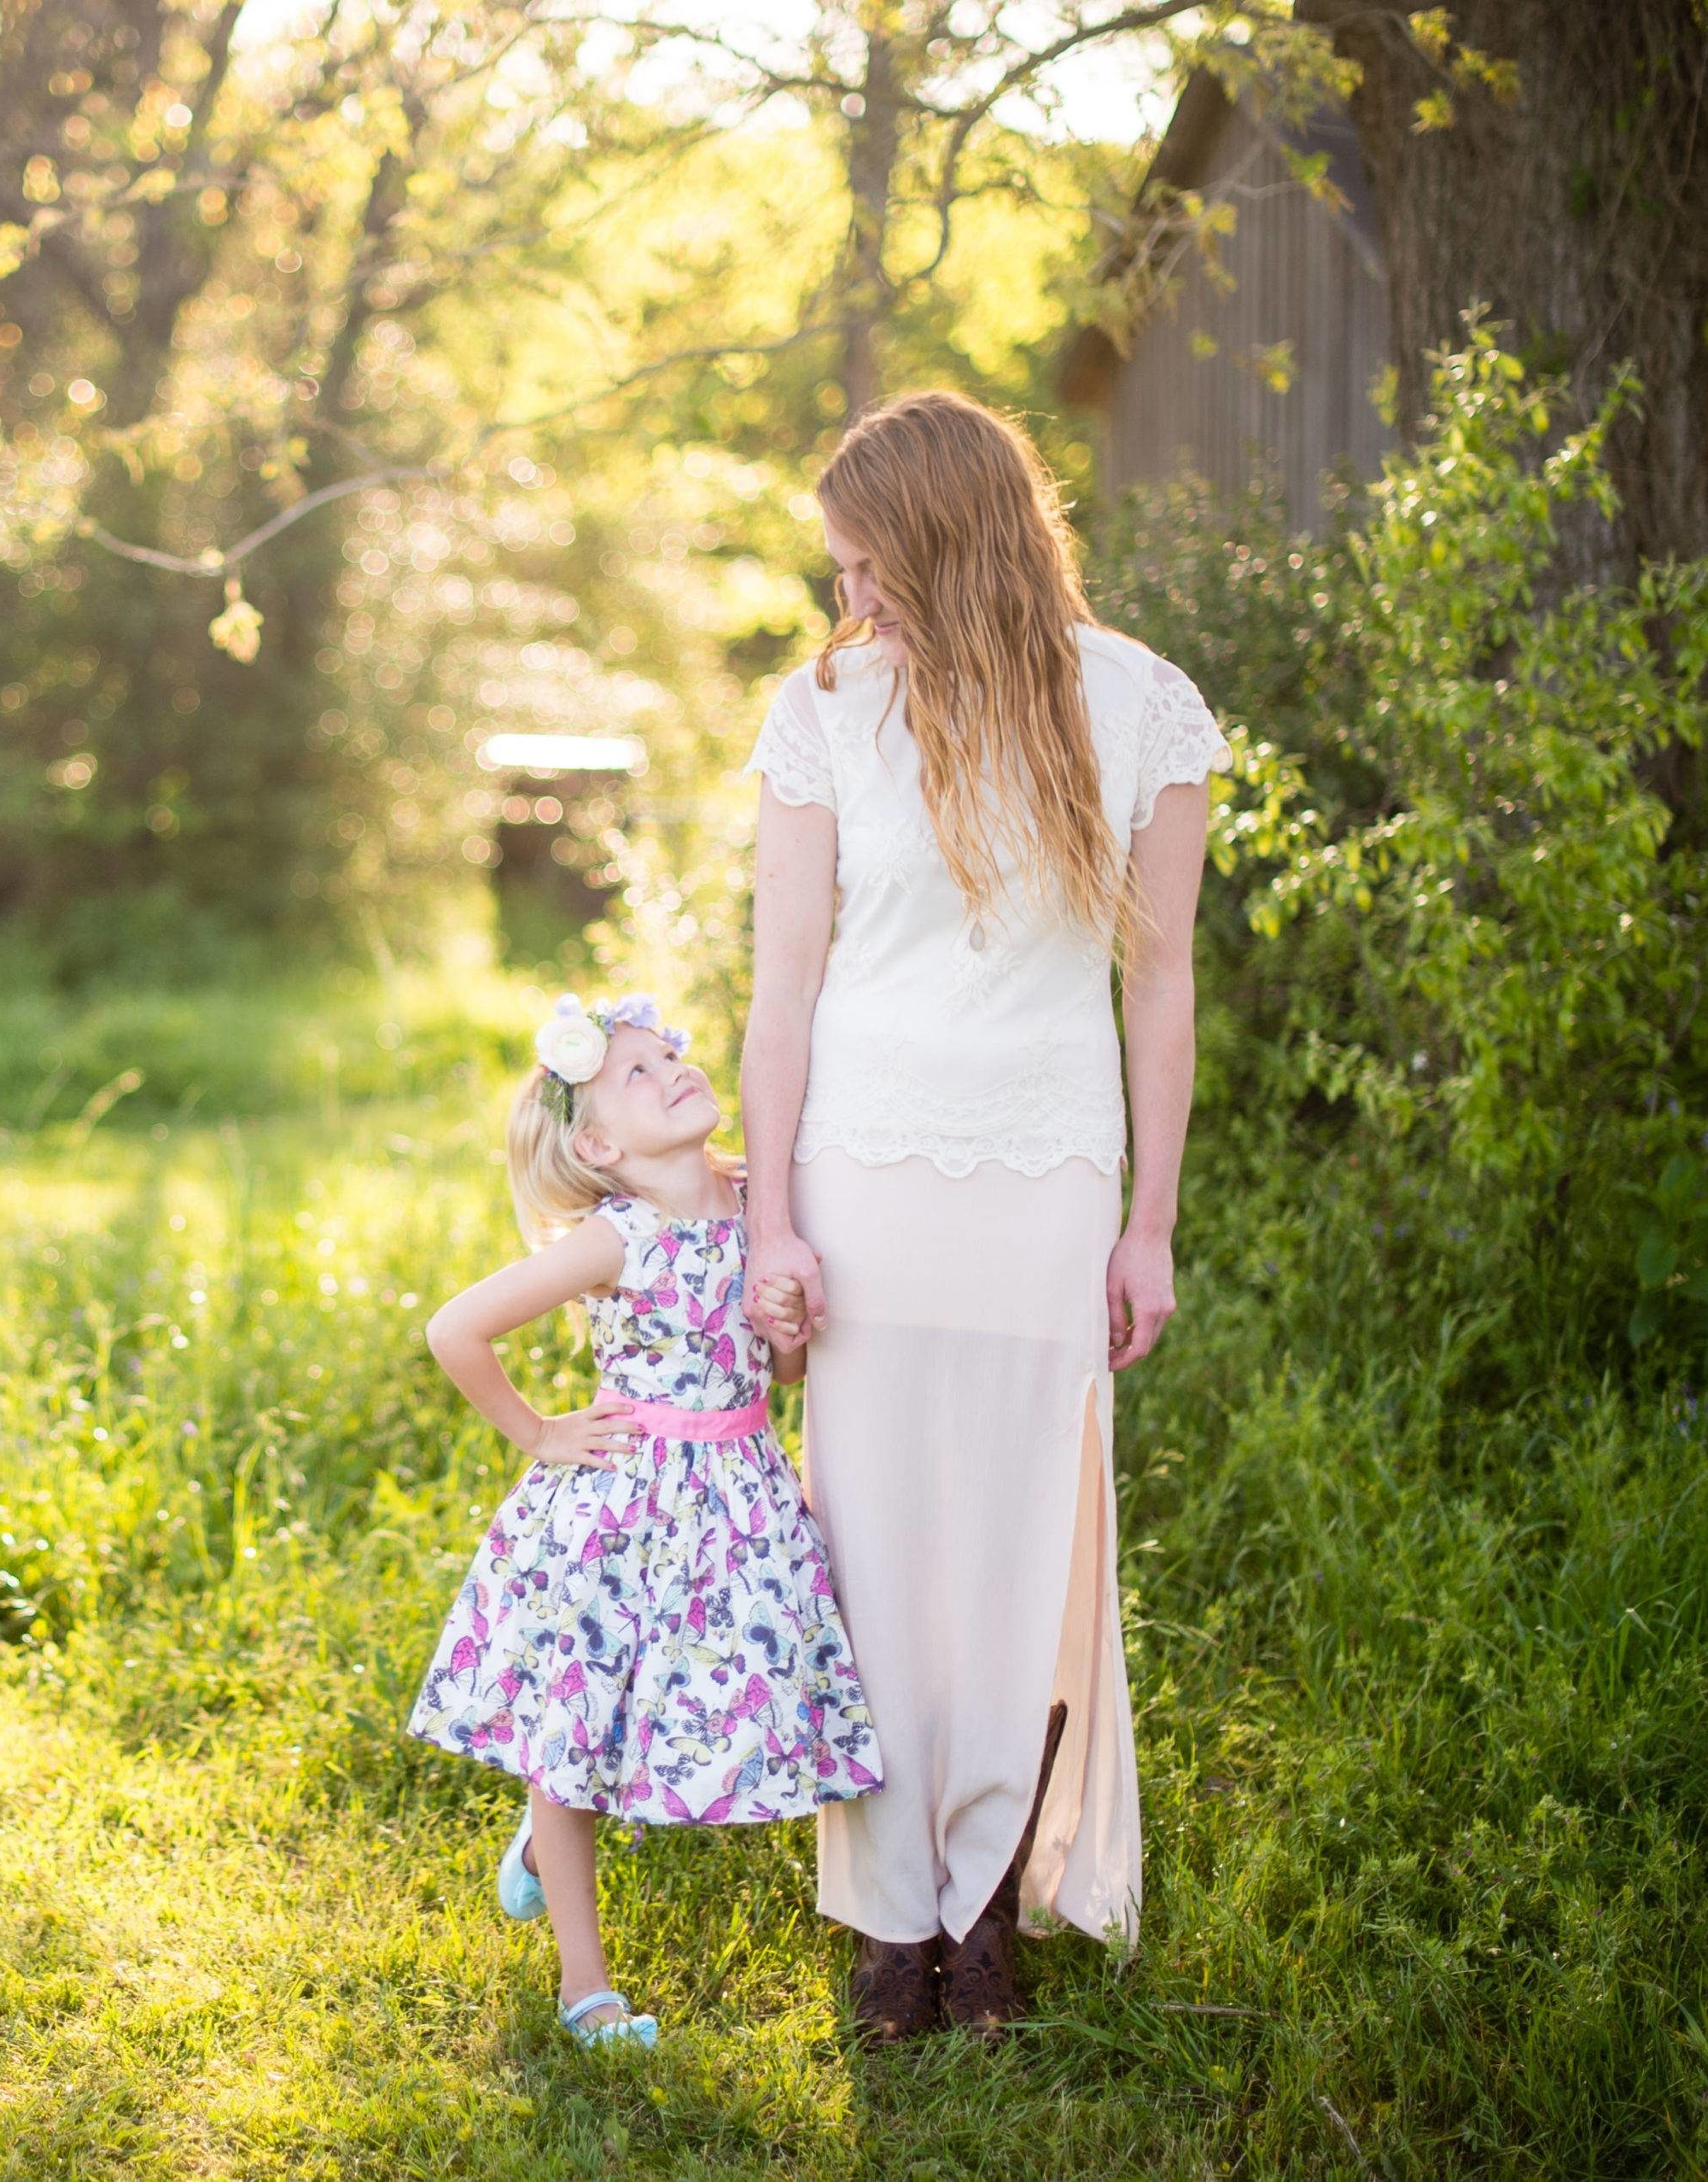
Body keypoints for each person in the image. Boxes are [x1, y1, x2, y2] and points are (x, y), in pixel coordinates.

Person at [737, 390, 1221, 2041]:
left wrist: (1149, 1227)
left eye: (869, 568)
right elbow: (781, 997)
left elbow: (1161, 993)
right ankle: (888, 1917)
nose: (850, 602)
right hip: (863, 1174)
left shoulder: (1144, 708)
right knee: (872, 1541)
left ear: (949, 544)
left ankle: (989, 1909)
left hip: (1049, 1179)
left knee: (1025, 1549)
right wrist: (770, 1226)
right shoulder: (821, 715)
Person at [408, 993, 883, 2050]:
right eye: (637, 1069)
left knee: (694, 1706)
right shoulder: (614, 1239)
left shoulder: (762, 1198)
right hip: (619, 1511)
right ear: (598, 1144)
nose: (673, 1064)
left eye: (669, 1050)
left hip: (741, 1500)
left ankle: (536, 1852)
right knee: (572, 1738)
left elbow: (786, 1366)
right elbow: (456, 1327)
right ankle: (588, 1986)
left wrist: (791, 1329)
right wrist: (537, 1434)